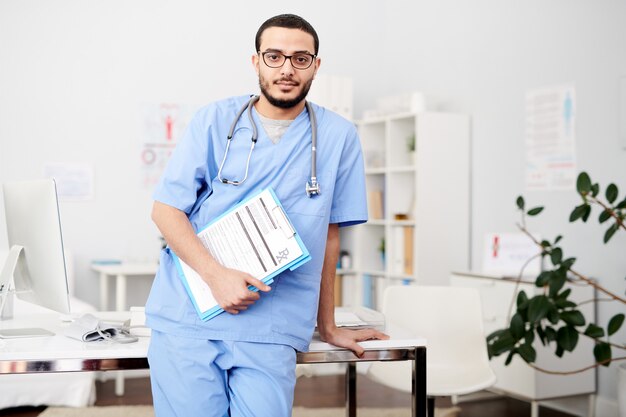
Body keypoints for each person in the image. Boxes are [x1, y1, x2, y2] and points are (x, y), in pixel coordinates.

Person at [145, 13, 388, 417]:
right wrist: (216, 276)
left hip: (273, 322)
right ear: (256, 61)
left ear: (316, 65)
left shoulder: (338, 136)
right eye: (274, 56)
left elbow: (329, 233)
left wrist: (325, 326)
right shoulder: (214, 120)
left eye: (300, 58)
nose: (287, 69)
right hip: (190, 314)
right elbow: (166, 210)